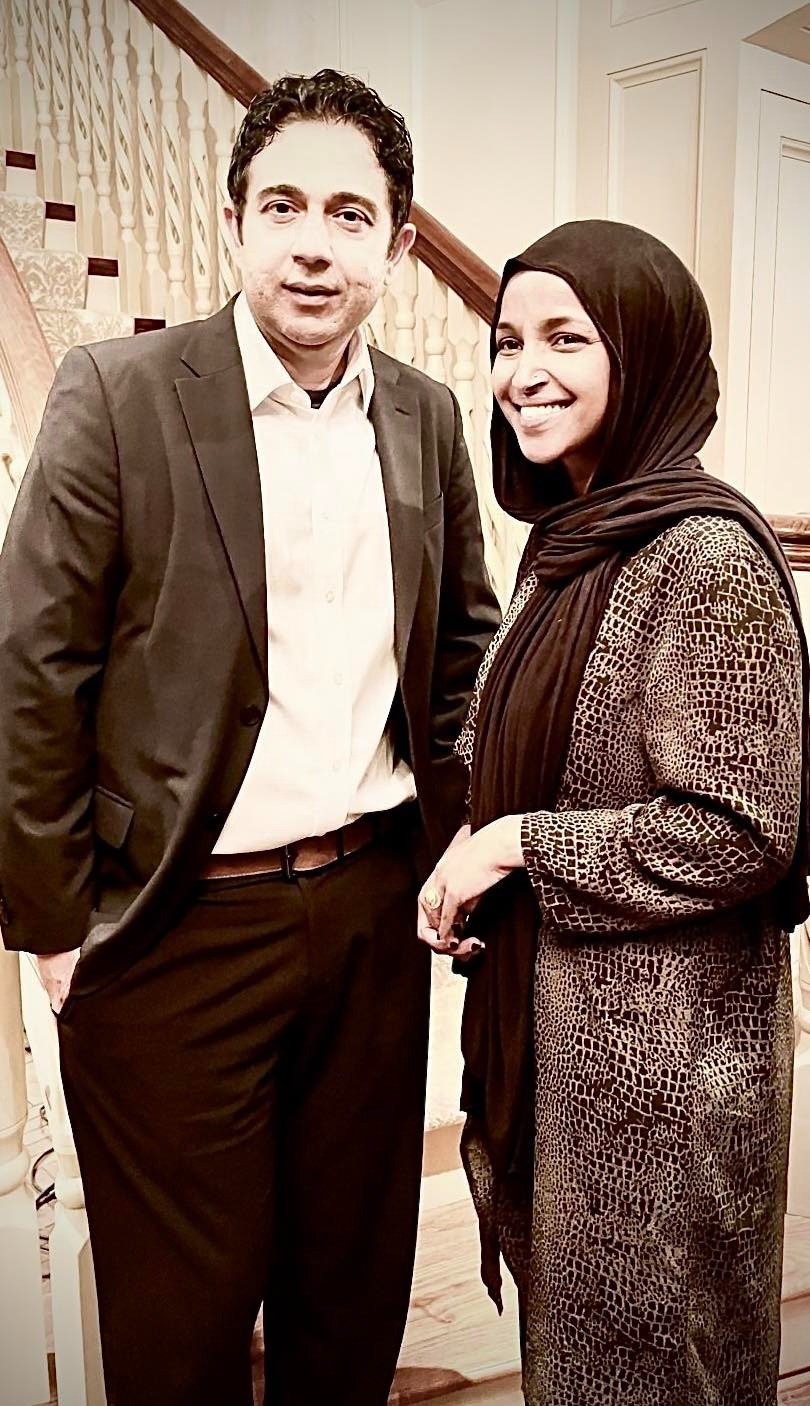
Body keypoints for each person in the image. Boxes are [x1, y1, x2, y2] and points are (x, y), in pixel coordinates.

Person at [0, 69, 499, 1406]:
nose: (312, 243)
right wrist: (56, 929)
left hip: (370, 923)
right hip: (171, 931)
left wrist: (466, 850)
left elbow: (464, 649)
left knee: (348, 1297)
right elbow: (33, 667)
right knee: (183, 1331)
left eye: (349, 213)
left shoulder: (426, 415)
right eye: (281, 206)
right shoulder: (118, 392)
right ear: (233, 223)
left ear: (398, 244)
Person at [417, 219, 809, 1405]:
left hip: (667, 1085)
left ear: (644, 354)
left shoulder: (706, 554)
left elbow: (744, 827)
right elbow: (529, 753)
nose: (523, 370)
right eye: (507, 340)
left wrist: (517, 845)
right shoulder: (570, 545)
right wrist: (475, 851)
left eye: (566, 338)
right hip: (570, 1063)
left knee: (661, 1376)